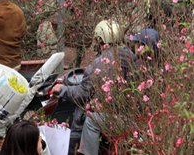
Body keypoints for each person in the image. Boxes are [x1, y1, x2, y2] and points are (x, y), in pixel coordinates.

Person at [52, 20, 136, 155]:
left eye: (98, 40)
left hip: (107, 116)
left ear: (101, 40)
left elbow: (82, 93)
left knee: (83, 119)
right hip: (126, 114)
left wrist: (61, 89)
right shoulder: (132, 57)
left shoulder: (98, 64)